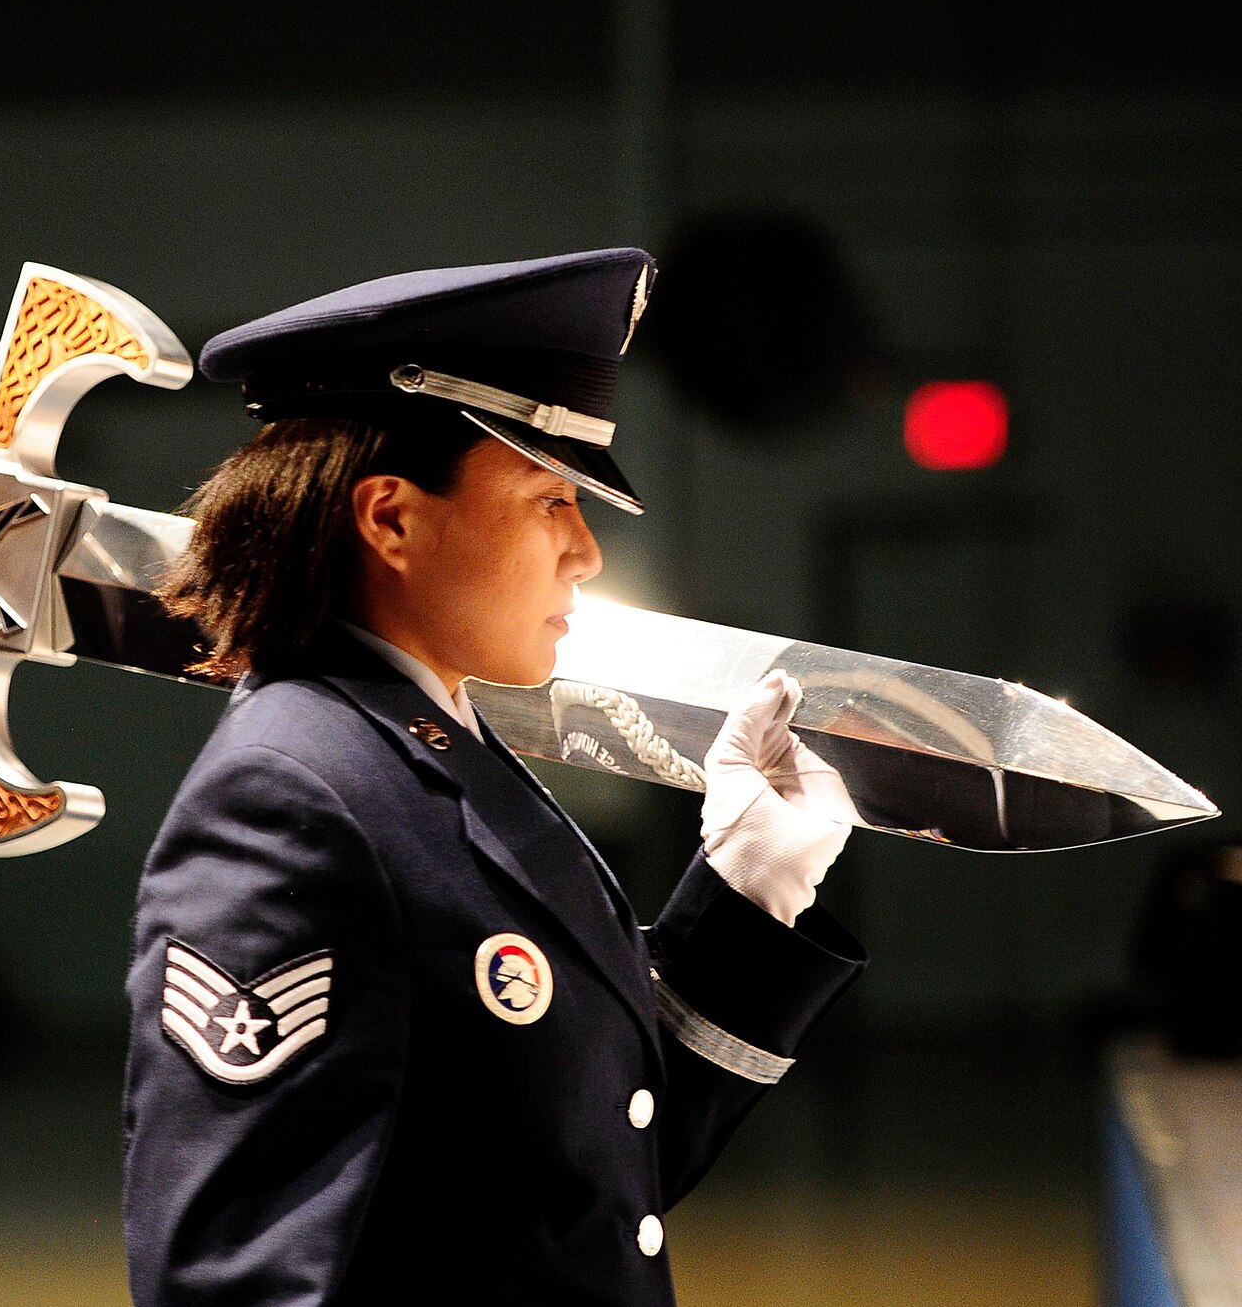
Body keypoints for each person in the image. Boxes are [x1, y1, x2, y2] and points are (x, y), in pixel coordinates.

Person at [121, 249, 868, 1306]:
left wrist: (749, 890)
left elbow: (586, 1173)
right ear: (388, 517)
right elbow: (235, 1276)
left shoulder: (427, 752)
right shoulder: (292, 794)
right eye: (549, 498)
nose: (584, 553)